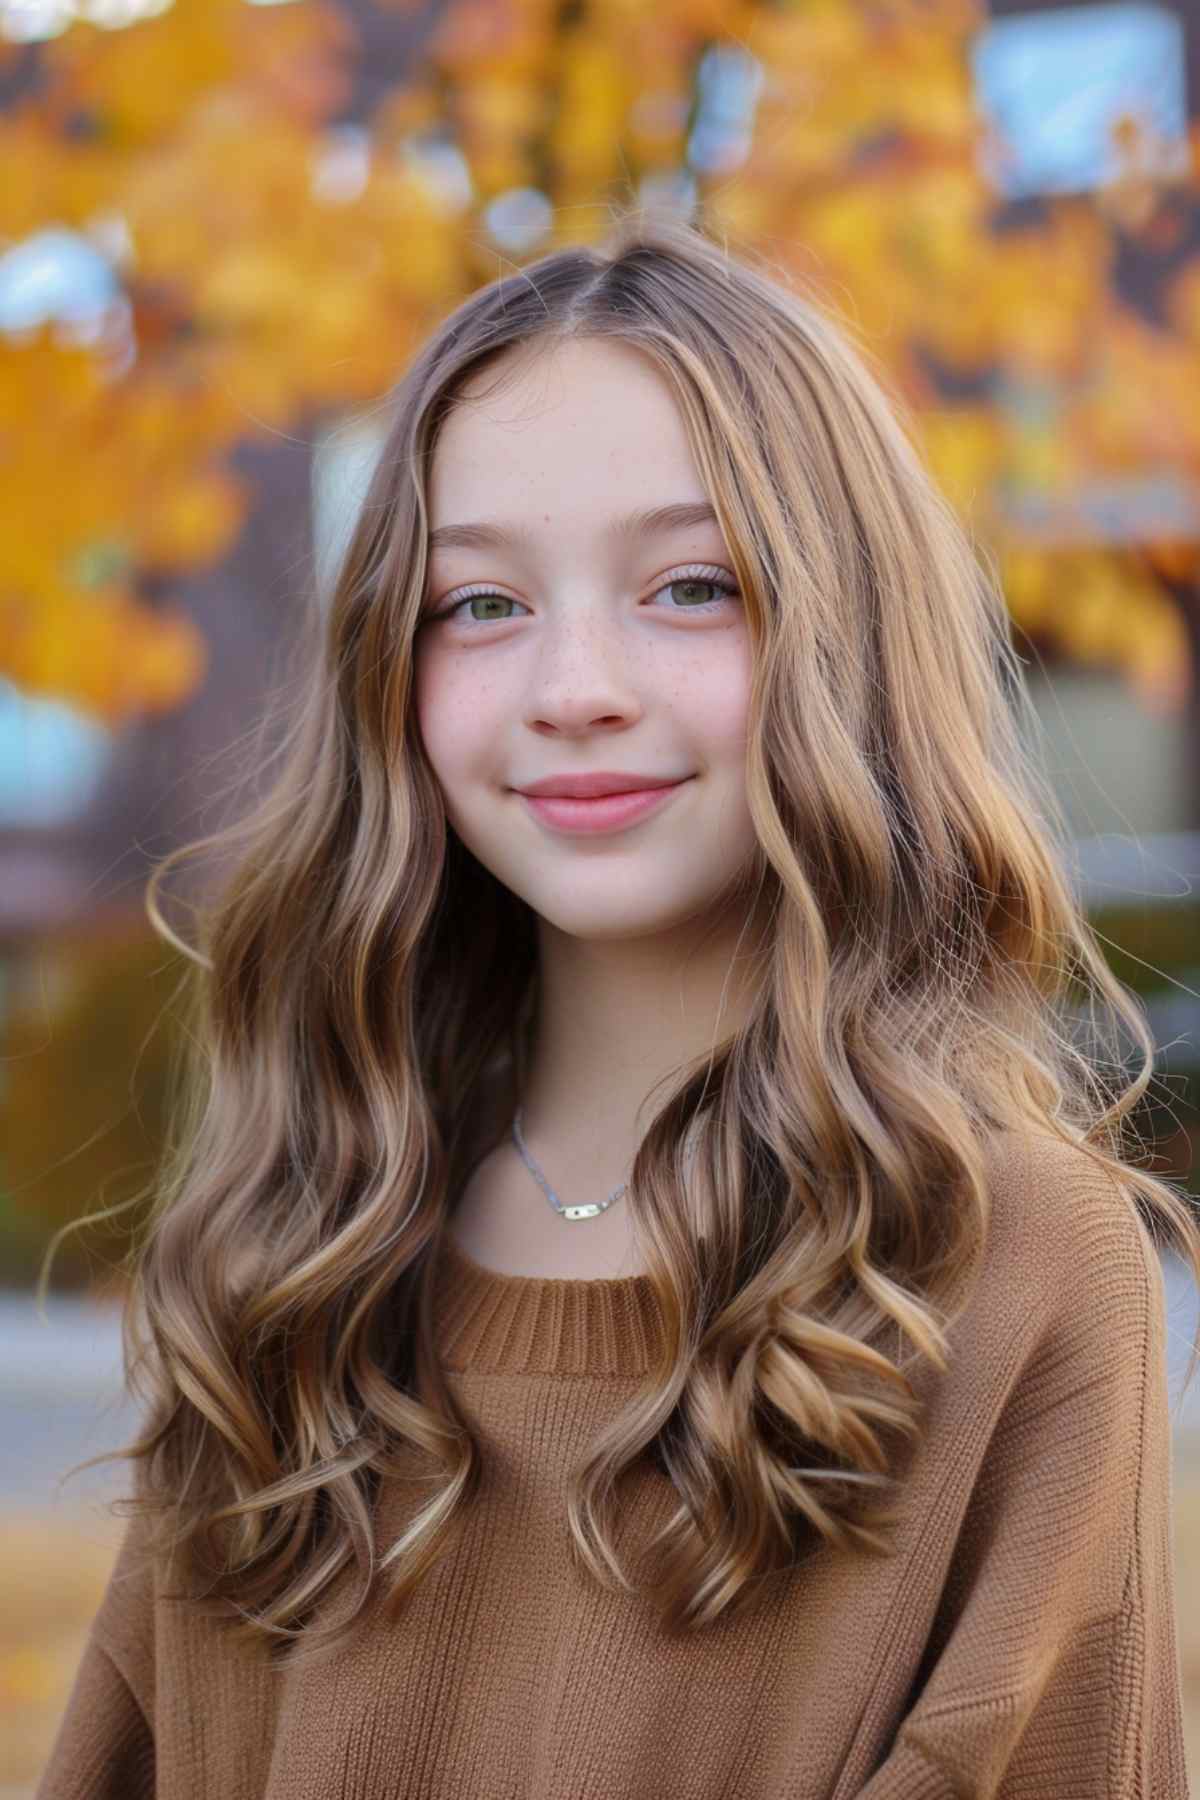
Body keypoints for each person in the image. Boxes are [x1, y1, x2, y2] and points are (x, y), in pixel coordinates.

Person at [36, 205, 1197, 1799]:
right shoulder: (296, 1255)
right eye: (483, 605)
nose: (575, 684)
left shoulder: (1013, 1273)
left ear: (845, 637)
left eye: (692, 586)